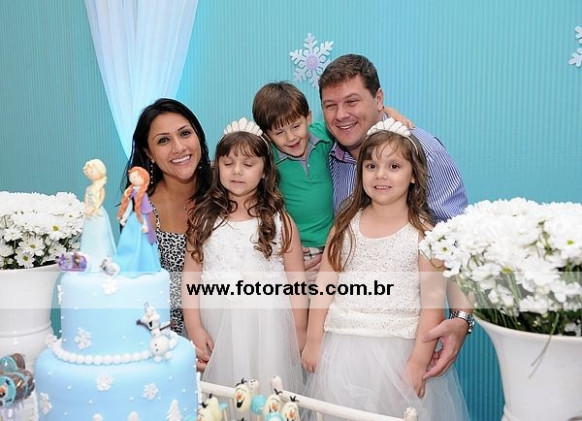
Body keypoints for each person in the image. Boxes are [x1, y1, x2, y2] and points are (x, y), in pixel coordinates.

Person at [308, 54, 472, 378]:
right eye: (330, 105)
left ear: (379, 98)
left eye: (352, 101)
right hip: (343, 336)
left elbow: (458, 244)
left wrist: (462, 317)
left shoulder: (424, 152)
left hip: (402, 337)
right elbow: (278, 131)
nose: (341, 115)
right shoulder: (326, 148)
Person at [301, 121, 469, 420]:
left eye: (394, 166)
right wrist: (313, 340)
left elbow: (432, 308)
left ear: (414, 174)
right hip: (341, 350)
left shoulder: (425, 235)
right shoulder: (344, 226)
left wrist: (418, 361)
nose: (381, 174)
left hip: (399, 353)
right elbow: (324, 287)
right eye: (371, 166)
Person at [181, 118, 307, 394]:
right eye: (228, 163)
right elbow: (190, 279)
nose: (237, 171)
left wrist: (299, 329)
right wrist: (194, 327)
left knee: (266, 390)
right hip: (216, 323)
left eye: (248, 164)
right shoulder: (203, 220)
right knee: (223, 394)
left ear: (264, 172)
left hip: (268, 326)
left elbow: (296, 282)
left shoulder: (281, 222)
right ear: (218, 167)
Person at [123, 98, 212, 335]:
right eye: (163, 140)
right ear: (148, 152)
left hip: (229, 325)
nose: (179, 147)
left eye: (185, 133)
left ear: (198, 137)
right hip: (167, 337)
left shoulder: (228, 188)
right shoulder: (141, 209)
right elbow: (136, 289)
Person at [115, 166, 160, 275]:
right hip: (132, 220)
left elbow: (146, 211)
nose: (133, 178)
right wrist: (125, 217)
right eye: (132, 176)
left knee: (142, 243)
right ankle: (127, 263)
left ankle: (142, 265)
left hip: (141, 220)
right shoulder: (131, 193)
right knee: (128, 240)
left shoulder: (143, 195)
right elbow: (129, 207)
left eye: (136, 176)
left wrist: (145, 225)